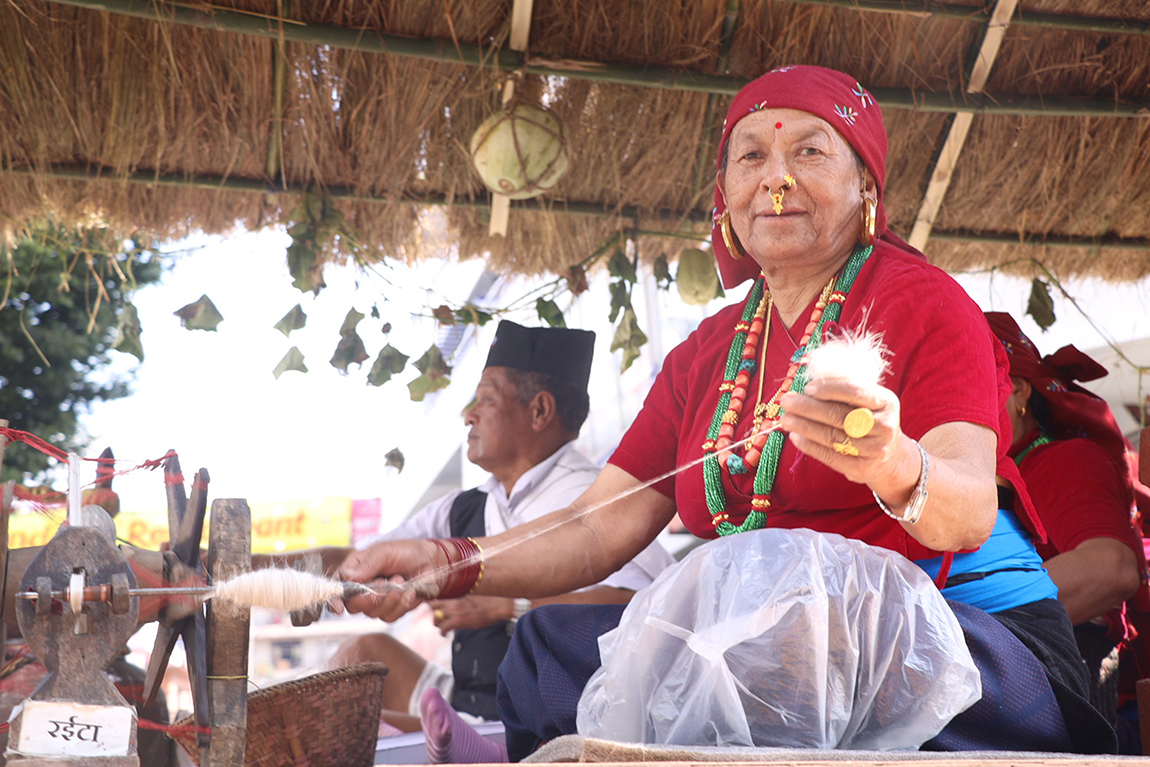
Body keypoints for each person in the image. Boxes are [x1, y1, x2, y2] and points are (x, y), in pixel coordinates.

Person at [338, 65, 1117, 759]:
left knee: (780, 651)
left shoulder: (924, 304)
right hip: (765, 648)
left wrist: (893, 462)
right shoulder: (706, 352)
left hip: (954, 648)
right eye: (751, 157)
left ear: (866, 188)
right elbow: (594, 526)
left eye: (810, 152)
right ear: (725, 197)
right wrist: (452, 561)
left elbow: (969, 512)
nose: (775, 181)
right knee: (551, 643)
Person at [331, 320, 673, 736]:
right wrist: (274, 570)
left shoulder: (593, 497)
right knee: (360, 657)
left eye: (485, 400)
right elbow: (366, 556)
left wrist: (510, 606)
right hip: (469, 698)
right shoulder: (468, 505)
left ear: (539, 411)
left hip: (563, 710)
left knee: (352, 726)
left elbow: (641, 607)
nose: (468, 415)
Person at [986, 312, 1145, 728]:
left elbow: (1111, 568)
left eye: (968, 385)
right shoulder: (1005, 468)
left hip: (1077, 700)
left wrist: (972, 625)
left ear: (1017, 392)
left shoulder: (1059, 460)